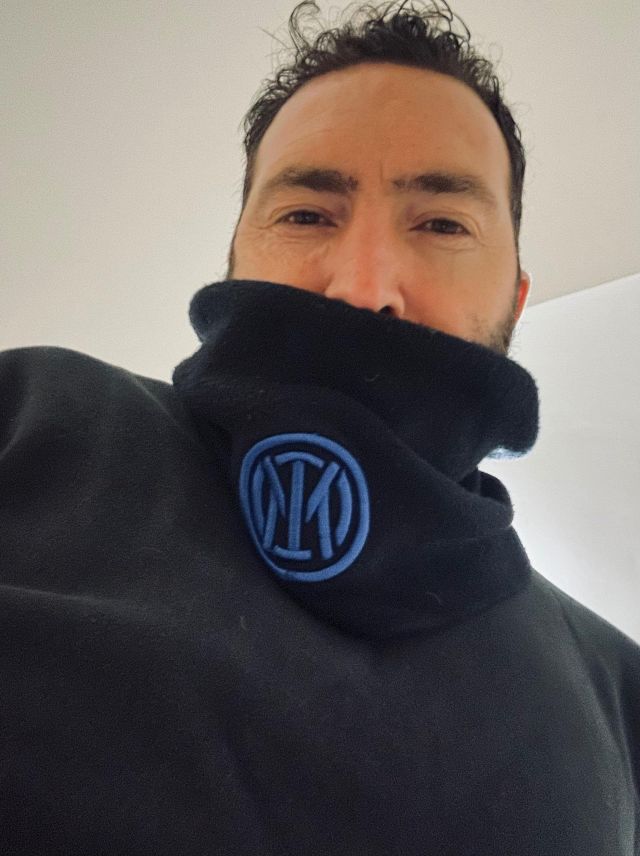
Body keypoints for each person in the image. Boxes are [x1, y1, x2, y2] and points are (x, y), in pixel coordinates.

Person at [1, 1, 638, 853]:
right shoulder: (27, 417)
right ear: (236, 257)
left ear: (515, 299)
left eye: (442, 224)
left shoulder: (621, 694)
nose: (362, 287)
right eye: (306, 215)